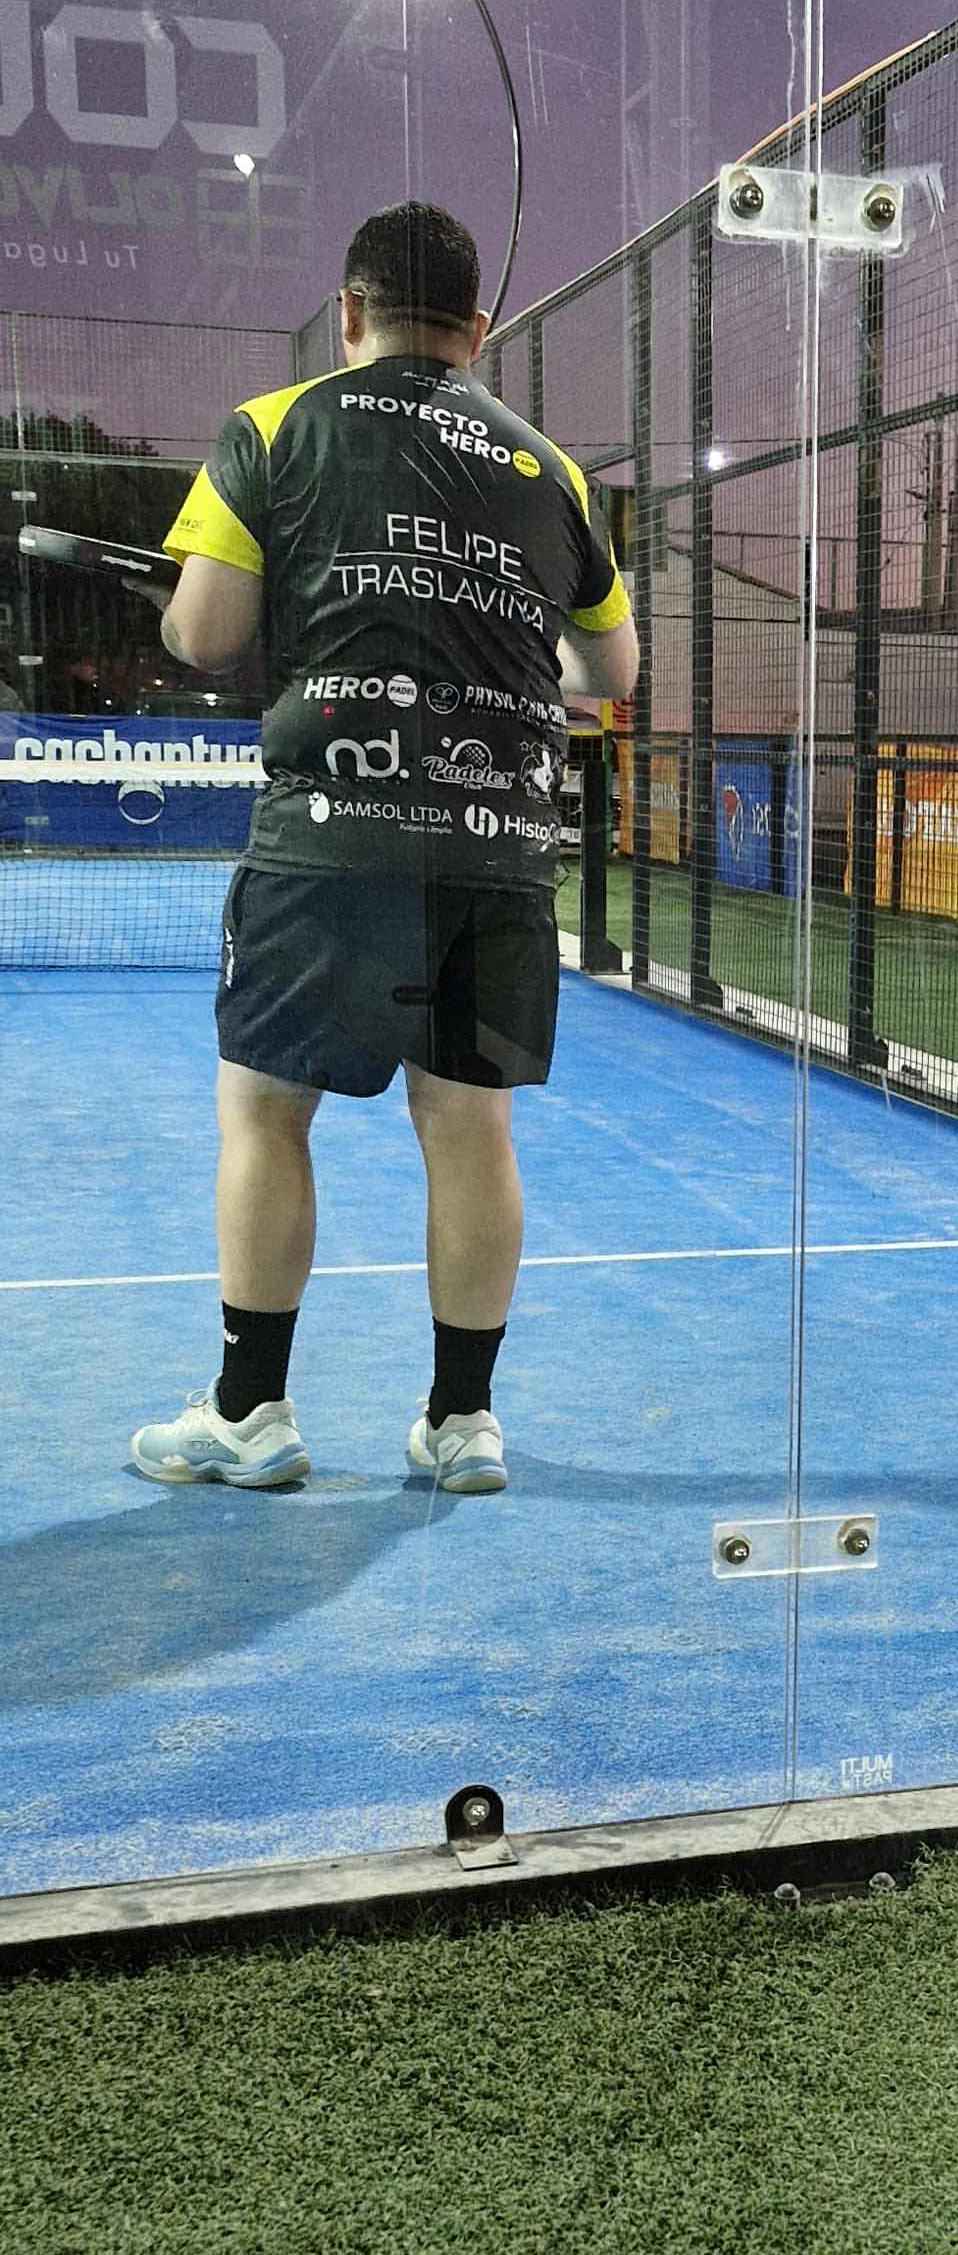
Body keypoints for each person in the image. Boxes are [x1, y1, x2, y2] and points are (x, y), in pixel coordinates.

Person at [130, 199, 639, 1497]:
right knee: (469, 1126)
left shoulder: (272, 427)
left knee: (266, 1111)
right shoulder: (554, 472)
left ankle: (250, 1413)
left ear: (349, 311)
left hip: (331, 842)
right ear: (480, 327)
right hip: (498, 850)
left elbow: (205, 635)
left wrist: (204, 603)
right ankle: (463, 1423)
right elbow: (614, 668)